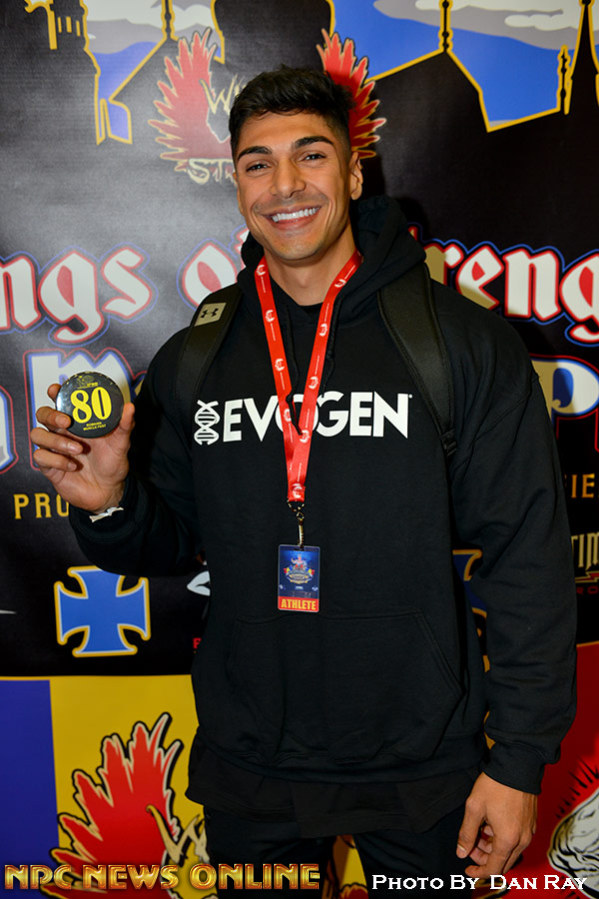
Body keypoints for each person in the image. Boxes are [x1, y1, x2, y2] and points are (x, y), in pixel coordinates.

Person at [32, 67, 576, 893]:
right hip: (251, 766)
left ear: (354, 175)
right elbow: (168, 542)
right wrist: (110, 503)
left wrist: (519, 762)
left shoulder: (459, 343)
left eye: (310, 155)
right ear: (237, 182)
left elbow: (527, 557)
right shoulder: (198, 355)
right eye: (257, 163)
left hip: (422, 767)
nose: (284, 184)